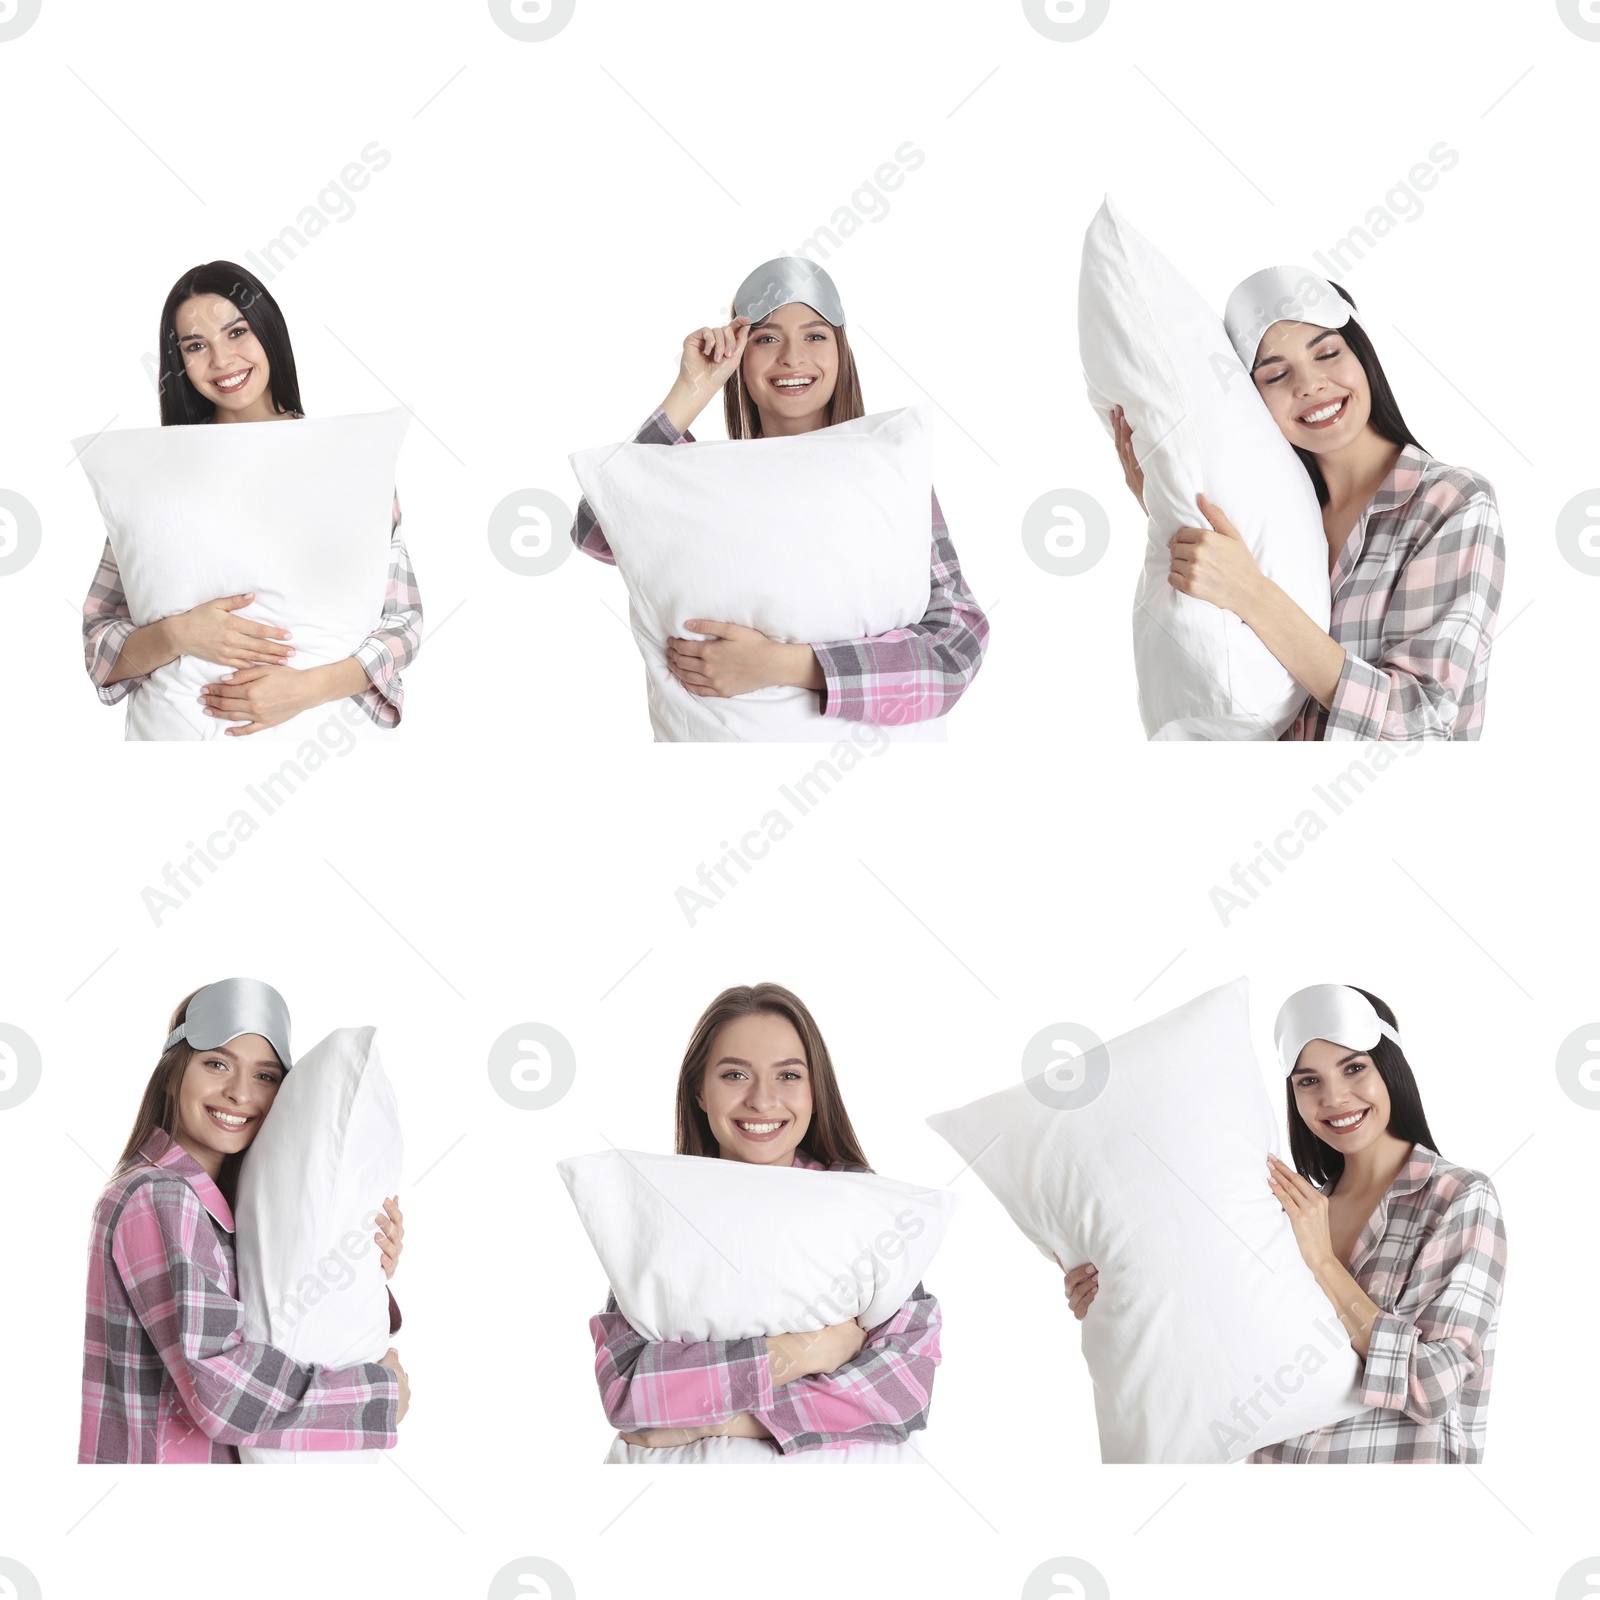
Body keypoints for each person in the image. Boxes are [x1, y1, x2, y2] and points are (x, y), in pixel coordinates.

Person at [1061, 984, 1505, 1462]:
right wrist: (1120, 1300)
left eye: (1354, 1067)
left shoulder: (1457, 1198)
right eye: (1307, 1081)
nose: (1334, 1098)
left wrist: (1320, 1261)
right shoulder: (1283, 1209)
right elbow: (1223, 1341)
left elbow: (1433, 1385)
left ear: (1390, 1070)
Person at [570, 256, 987, 726]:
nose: (792, 357)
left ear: (840, 352)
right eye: (767, 338)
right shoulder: (705, 482)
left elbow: (956, 649)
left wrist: (784, 665)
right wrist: (693, 388)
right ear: (740, 357)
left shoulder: (888, 478)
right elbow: (596, 529)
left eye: (815, 335)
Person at [1109, 266, 1502, 739]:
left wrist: (1254, 595)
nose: (1311, 384)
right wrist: (1170, 512)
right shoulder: (1279, 517)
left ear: (1362, 357)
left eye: (1328, 353)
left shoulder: (1450, 503)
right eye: (1275, 375)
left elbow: (1423, 721)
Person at [589, 982, 941, 1456]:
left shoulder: (859, 1206)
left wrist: (721, 1422)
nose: (762, 1100)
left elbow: (904, 1390)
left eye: (789, 1076)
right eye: (735, 1075)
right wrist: (806, 1351)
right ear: (699, 1091)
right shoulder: (662, 1208)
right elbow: (629, 1389)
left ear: (816, 1090)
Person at [81, 261, 423, 735]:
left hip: (320, 745)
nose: (222, 360)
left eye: (236, 332)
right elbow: (100, 647)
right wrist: (178, 634)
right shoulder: (157, 472)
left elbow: (403, 621)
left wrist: (311, 688)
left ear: (268, 332)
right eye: (196, 345)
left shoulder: (350, 459)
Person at [80, 977, 410, 1462]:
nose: (239, 1093)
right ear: (174, 1072)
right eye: (217, 1063)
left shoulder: (213, 1203)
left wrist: (367, 1269)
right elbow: (219, 1391)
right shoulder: (160, 1196)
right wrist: (378, 1397)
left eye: (265, 1076)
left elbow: (269, 1313)